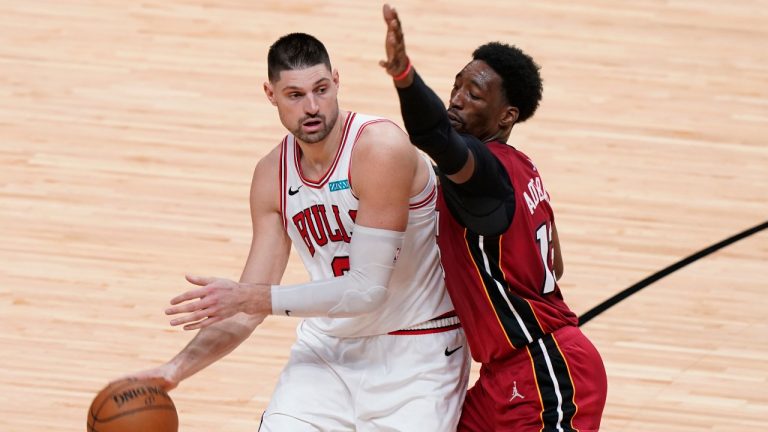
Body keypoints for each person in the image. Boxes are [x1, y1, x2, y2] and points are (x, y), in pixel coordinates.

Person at [125, 32, 470, 431]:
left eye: (321, 90)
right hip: (327, 353)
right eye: (294, 95)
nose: (312, 107)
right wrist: (176, 369)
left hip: (416, 351)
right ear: (270, 94)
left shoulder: (379, 148)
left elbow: (365, 289)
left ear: (336, 81)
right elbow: (244, 314)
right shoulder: (272, 175)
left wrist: (248, 297)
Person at [379, 4, 608, 431]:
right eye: (457, 85)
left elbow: (433, 136)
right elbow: (555, 263)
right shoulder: (523, 167)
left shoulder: (483, 173)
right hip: (506, 375)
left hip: (546, 372)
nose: (457, 99)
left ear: (507, 116)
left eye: (475, 94)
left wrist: (404, 76)